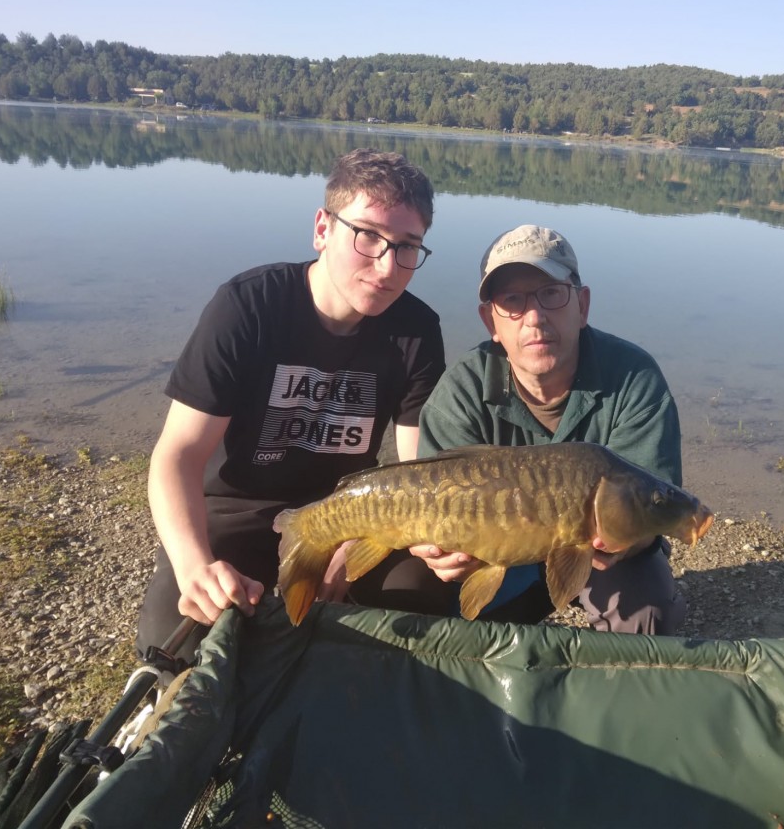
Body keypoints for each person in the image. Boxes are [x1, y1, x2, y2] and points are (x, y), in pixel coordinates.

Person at [135, 148, 451, 667]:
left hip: (351, 510)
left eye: (408, 246)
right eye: (368, 235)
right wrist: (195, 567)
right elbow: (178, 456)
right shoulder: (249, 306)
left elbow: (417, 474)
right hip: (237, 511)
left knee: (421, 594)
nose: (388, 265)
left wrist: (355, 543)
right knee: (175, 636)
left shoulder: (416, 331)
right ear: (323, 228)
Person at [412, 224, 687, 634]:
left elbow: (655, 503)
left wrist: (633, 540)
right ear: (491, 320)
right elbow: (425, 504)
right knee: (409, 589)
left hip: (596, 559)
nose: (535, 318)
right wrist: (435, 551)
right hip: (499, 557)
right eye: (513, 301)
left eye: (552, 294)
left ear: (583, 306)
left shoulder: (634, 378)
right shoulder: (462, 389)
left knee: (648, 609)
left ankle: (618, 684)